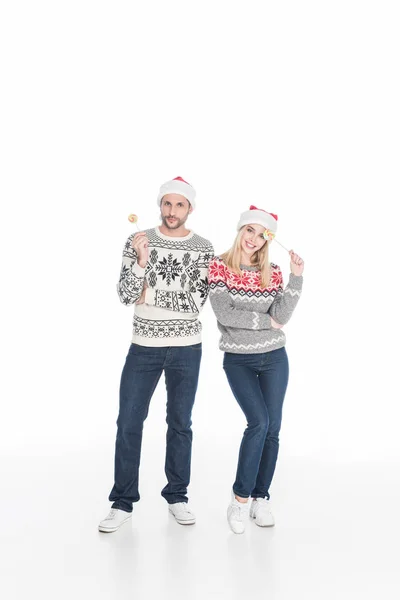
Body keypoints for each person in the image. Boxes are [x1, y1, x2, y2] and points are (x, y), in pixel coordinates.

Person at [99, 177, 214, 533]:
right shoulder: (139, 241)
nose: (172, 211)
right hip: (143, 347)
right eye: (167, 204)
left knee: (180, 424)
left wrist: (148, 295)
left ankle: (177, 496)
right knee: (128, 423)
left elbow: (195, 302)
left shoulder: (204, 249)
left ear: (190, 208)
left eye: (180, 205)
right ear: (160, 205)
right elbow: (124, 293)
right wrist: (141, 262)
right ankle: (122, 502)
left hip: (186, 347)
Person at [208, 205, 304, 534]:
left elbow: (284, 315)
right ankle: (239, 501)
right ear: (240, 231)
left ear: (267, 240)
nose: (254, 238)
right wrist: (267, 322)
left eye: (262, 235)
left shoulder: (274, 272)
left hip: (275, 357)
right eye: (250, 230)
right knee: (258, 422)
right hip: (238, 360)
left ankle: (261, 497)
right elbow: (225, 313)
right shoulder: (219, 265)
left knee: (273, 428)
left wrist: (296, 277)